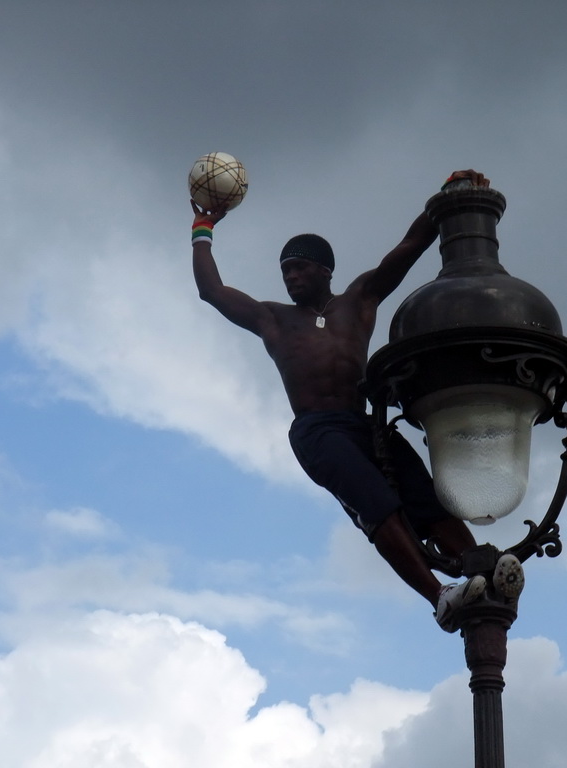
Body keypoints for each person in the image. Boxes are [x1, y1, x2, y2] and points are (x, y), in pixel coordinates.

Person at [190, 170, 522, 631]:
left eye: (299, 267)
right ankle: (441, 597)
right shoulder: (273, 319)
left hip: (364, 424)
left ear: (325, 269)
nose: (291, 277)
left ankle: (481, 571)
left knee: (425, 497)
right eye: (285, 270)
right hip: (317, 430)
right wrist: (201, 231)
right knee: (377, 501)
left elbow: (406, 250)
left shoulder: (358, 300)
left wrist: (449, 199)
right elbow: (213, 292)